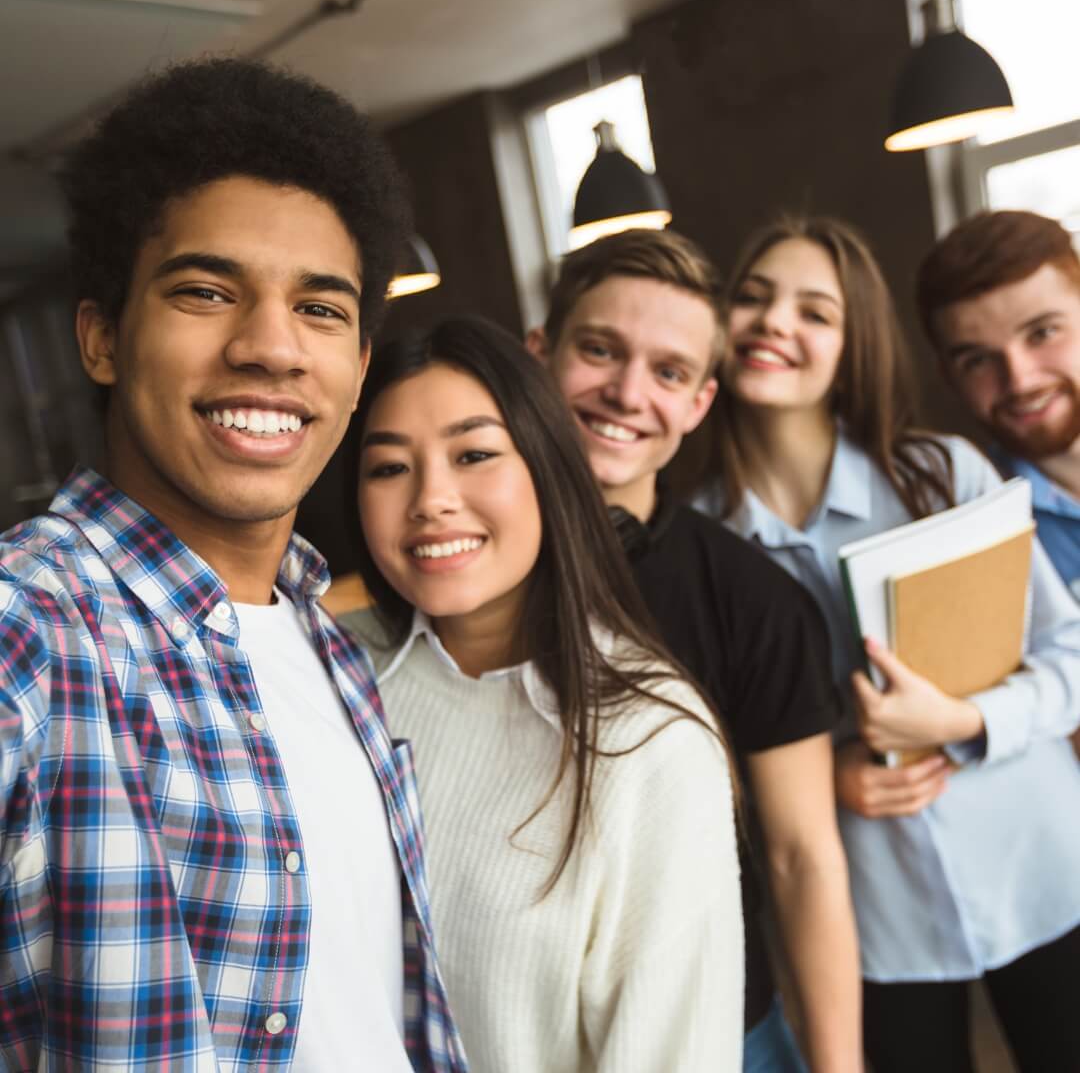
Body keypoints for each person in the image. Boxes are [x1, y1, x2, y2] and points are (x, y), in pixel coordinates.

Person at [0, 58, 466, 1071]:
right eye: (208, 292)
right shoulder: (29, 632)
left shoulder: (325, 644)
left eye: (322, 309)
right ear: (102, 339)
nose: (271, 347)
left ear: (353, 374)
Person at [694, 214, 1080, 1072]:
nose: (773, 323)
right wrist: (815, 780)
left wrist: (968, 718)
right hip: (875, 926)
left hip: (1048, 871)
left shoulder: (946, 474)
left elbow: (1071, 655)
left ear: (852, 345)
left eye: (814, 311)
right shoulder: (694, 546)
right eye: (751, 300)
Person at [340, 316, 743, 1072]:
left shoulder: (650, 738)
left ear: (548, 468)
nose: (432, 499)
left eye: (475, 454)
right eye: (389, 468)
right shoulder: (336, 677)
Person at [525, 229, 861, 1073]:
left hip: (721, 1032)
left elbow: (802, 859)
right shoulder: (452, 555)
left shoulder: (754, 601)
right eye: (599, 350)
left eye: (669, 372)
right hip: (498, 1028)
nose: (627, 392)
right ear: (538, 353)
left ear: (701, 402)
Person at [917, 210, 1080, 760]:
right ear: (948, 375)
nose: (1020, 379)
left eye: (1042, 333)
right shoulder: (975, 534)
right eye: (978, 360)